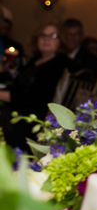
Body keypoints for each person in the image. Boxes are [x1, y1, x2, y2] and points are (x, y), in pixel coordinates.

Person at [0, 20, 75, 149]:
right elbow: (17, 87)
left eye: (53, 36)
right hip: (20, 114)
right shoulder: (36, 60)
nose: (47, 39)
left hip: (37, 122)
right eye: (43, 35)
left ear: (61, 41)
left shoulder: (61, 63)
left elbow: (37, 97)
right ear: (37, 39)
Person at [62, 18, 97, 85]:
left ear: (81, 36)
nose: (73, 37)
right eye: (69, 34)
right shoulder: (55, 55)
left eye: (76, 34)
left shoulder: (92, 61)